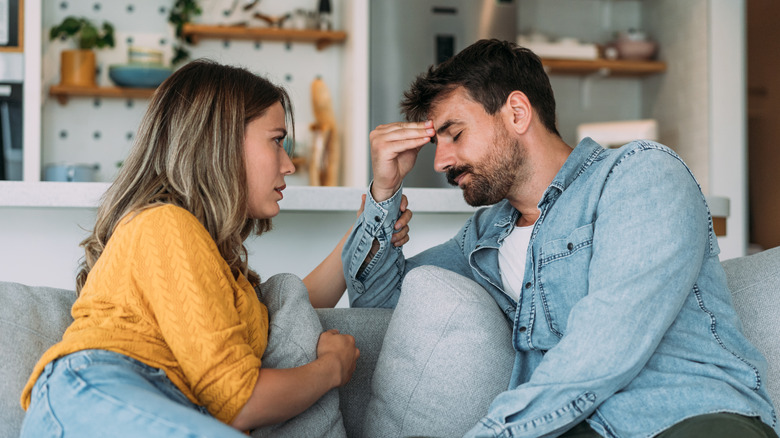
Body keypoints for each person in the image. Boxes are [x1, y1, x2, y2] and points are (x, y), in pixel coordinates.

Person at [341, 39, 779, 438]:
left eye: (455, 134)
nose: (440, 161)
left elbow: (605, 345)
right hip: (576, 428)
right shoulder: (483, 237)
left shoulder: (640, 174)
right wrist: (383, 193)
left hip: (689, 416)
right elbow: (382, 304)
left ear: (517, 112)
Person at [19, 59, 412, 437]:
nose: (288, 164)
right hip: (98, 393)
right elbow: (239, 402)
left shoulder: (215, 266)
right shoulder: (163, 224)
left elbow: (293, 304)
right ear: (220, 142)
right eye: (276, 141)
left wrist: (374, 217)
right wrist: (331, 368)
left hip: (140, 402)